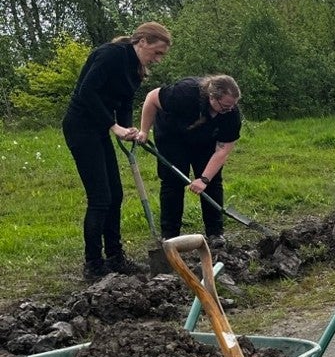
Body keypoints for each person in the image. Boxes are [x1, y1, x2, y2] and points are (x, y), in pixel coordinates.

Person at [62, 22, 172, 280]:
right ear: (142, 41)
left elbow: (123, 102)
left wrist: (127, 128)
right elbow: (87, 92)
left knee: (116, 194)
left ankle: (115, 256)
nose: (158, 59)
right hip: (80, 127)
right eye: (156, 52)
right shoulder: (110, 55)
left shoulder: (135, 69)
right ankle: (93, 265)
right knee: (100, 197)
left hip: (99, 129)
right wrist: (113, 126)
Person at [137, 75, 242, 247]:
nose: (229, 110)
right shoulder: (184, 93)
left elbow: (223, 150)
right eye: (225, 106)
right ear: (212, 97)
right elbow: (152, 97)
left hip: (205, 140)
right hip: (172, 137)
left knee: (213, 182)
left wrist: (204, 179)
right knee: (173, 183)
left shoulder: (231, 114)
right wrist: (143, 131)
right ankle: (170, 236)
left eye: (232, 106)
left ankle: (215, 233)